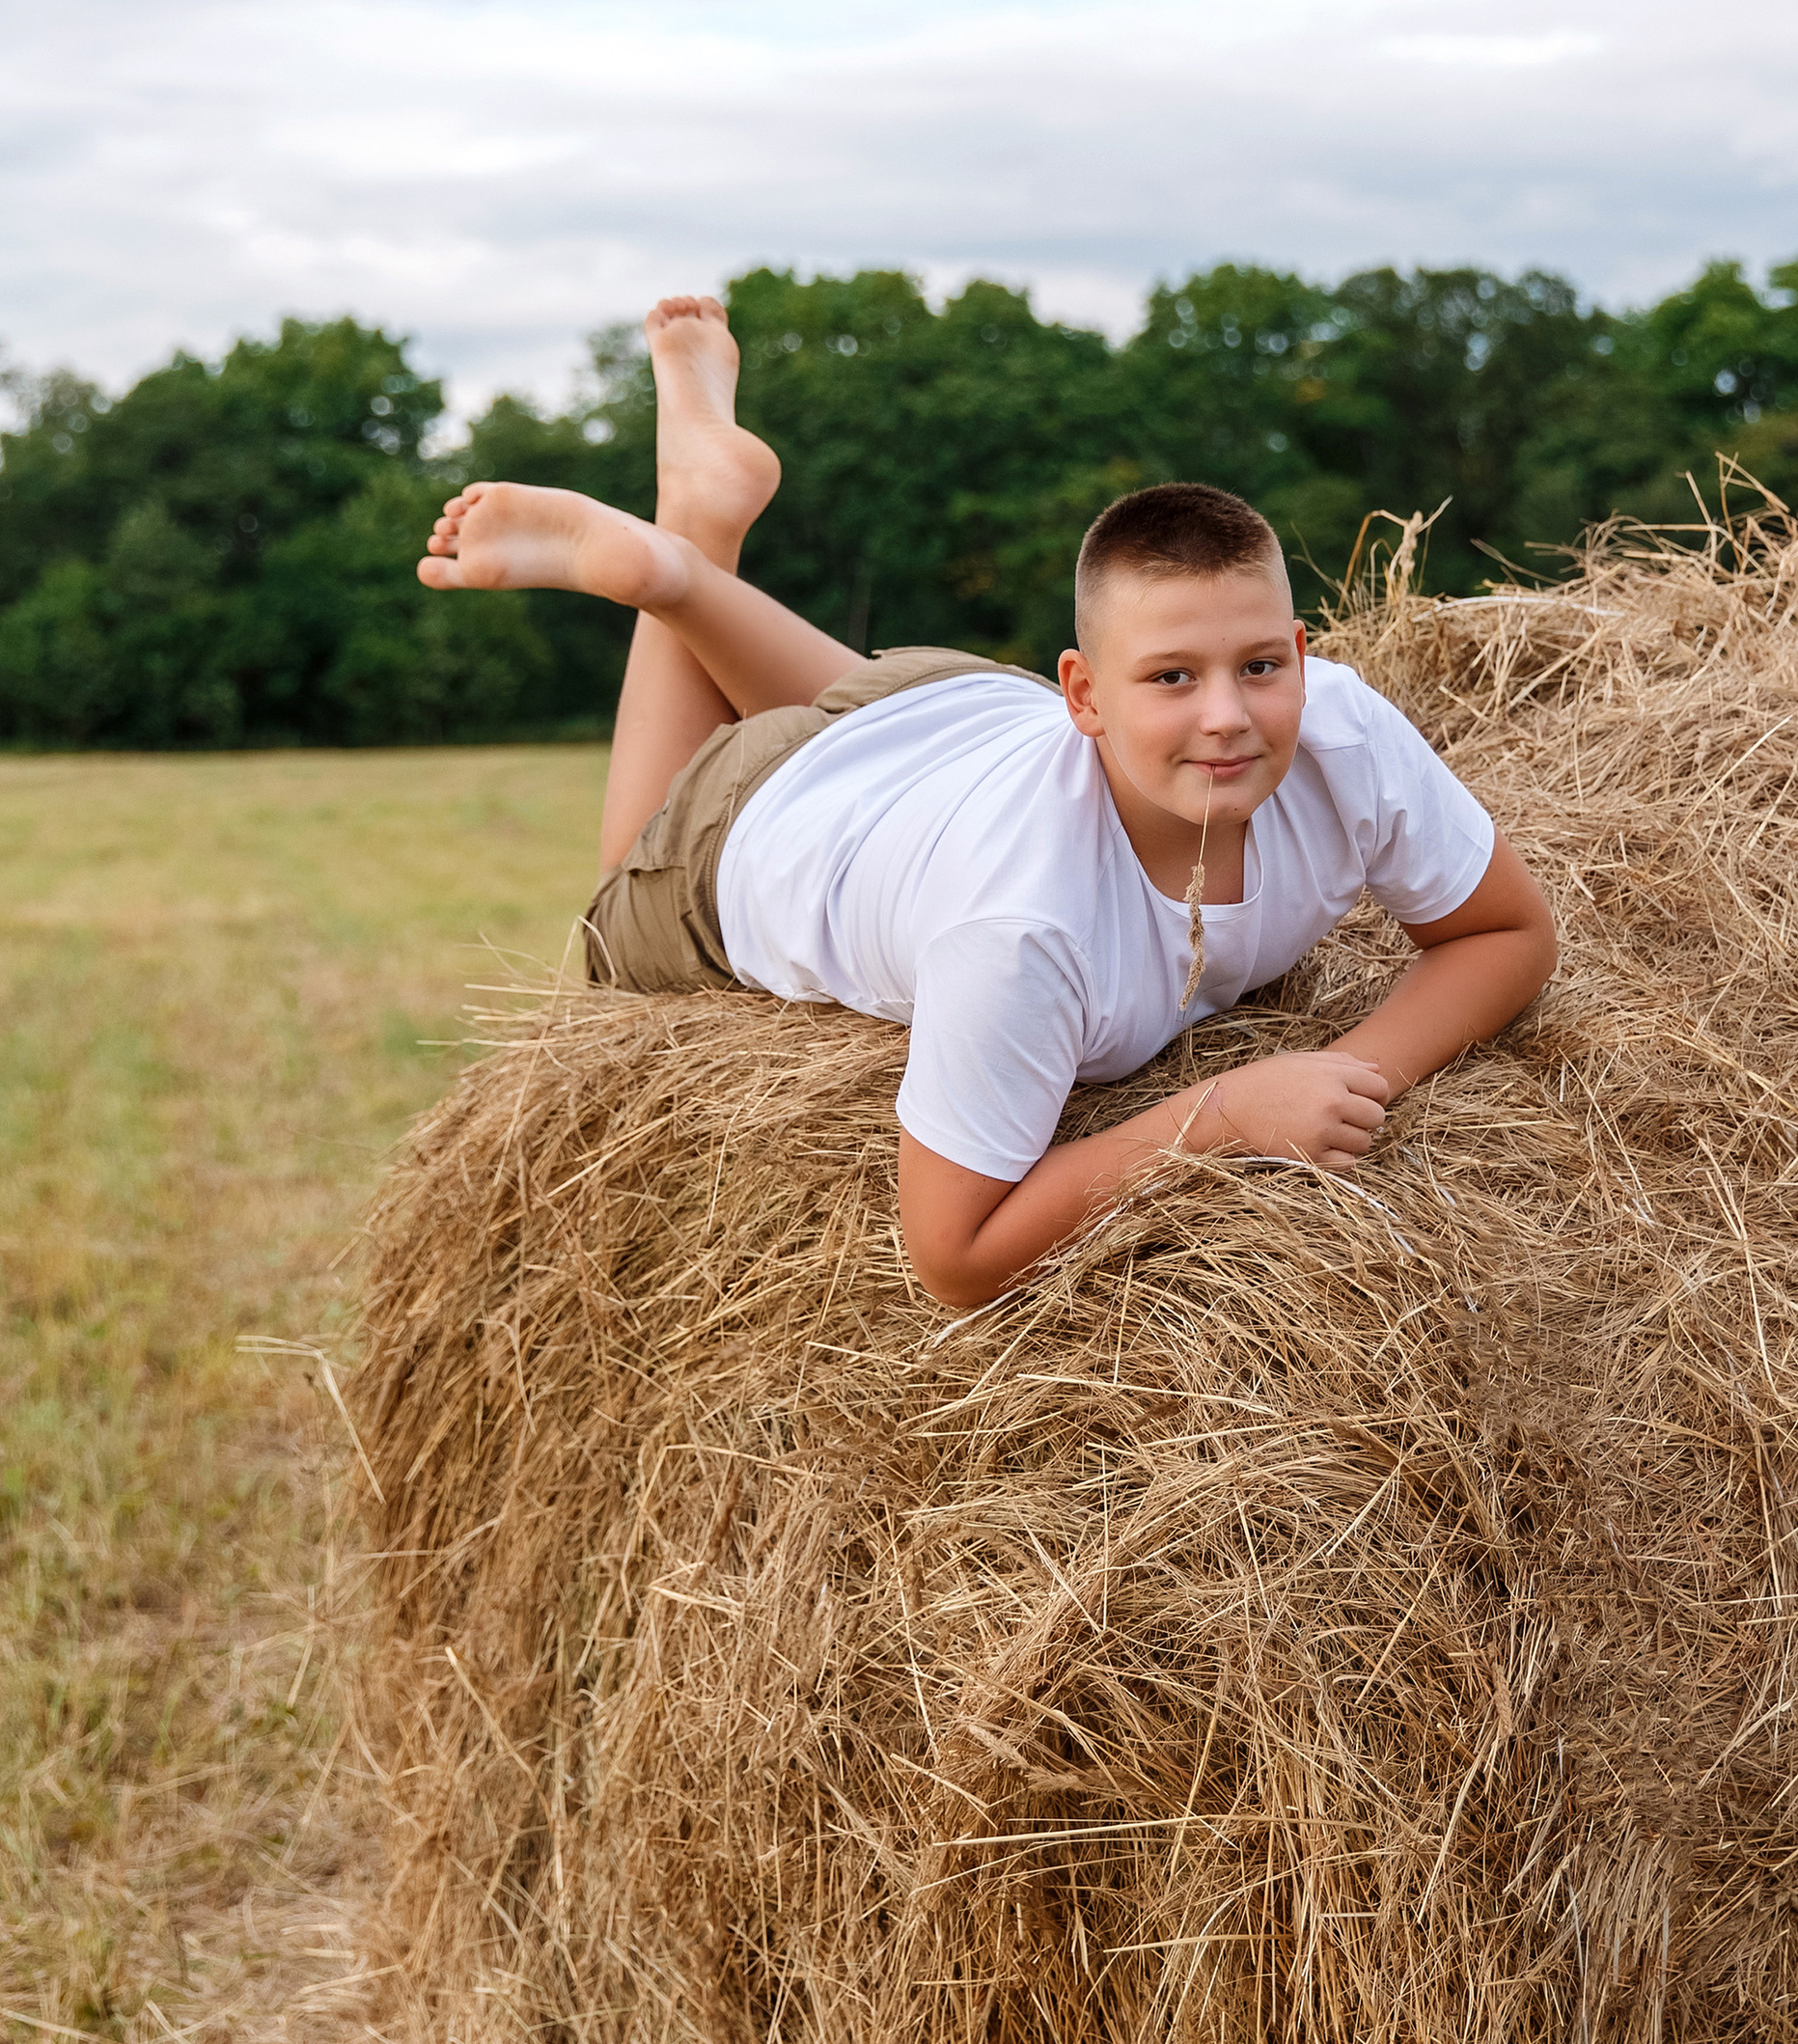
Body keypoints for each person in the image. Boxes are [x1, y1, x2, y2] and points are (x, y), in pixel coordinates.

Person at [418, 295, 1558, 1309]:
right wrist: (1227, 1115)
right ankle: (684, 543)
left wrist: (1354, 1076)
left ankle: (698, 552)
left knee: (884, 734)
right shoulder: (1021, 932)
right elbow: (954, 1257)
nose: (1229, 714)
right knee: (623, 881)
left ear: (1302, 656)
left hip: (947, 710)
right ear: (1086, 693)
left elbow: (1510, 931)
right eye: (1172, 678)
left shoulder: (1345, 729)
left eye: (1261, 666)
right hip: (775, 820)